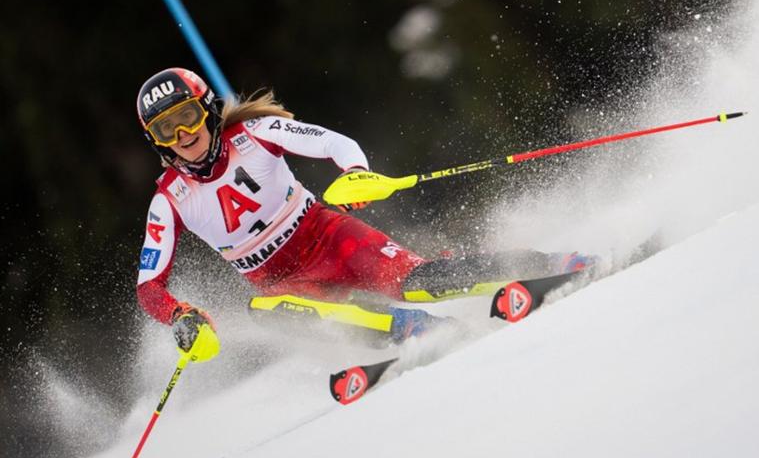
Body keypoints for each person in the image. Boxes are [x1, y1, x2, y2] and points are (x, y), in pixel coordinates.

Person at [135, 68, 596, 362]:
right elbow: (149, 287)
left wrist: (355, 173)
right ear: (155, 139)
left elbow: (334, 143)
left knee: (418, 282)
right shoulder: (169, 199)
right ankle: (422, 335)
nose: (181, 134)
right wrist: (180, 316)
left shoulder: (256, 132)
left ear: (208, 110)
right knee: (266, 310)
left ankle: (550, 264)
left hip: (331, 238)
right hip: (284, 283)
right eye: (164, 129)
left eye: (188, 116)